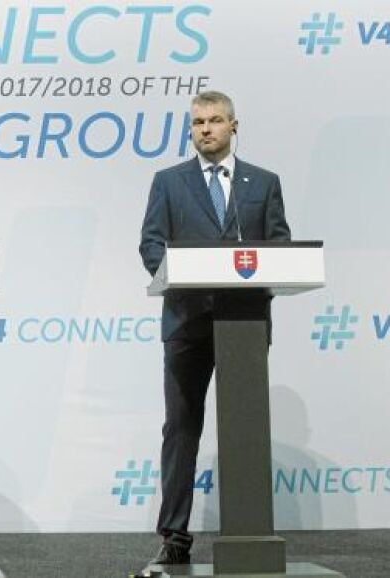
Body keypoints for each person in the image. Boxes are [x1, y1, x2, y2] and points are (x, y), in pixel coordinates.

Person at [138, 91, 291, 566]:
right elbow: (150, 244)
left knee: (244, 426)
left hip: (244, 323)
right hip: (187, 322)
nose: (206, 129)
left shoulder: (263, 183)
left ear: (233, 126)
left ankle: (248, 531)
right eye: (198, 122)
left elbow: (280, 245)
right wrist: (177, 277)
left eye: (215, 120)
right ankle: (174, 535)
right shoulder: (169, 181)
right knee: (181, 427)